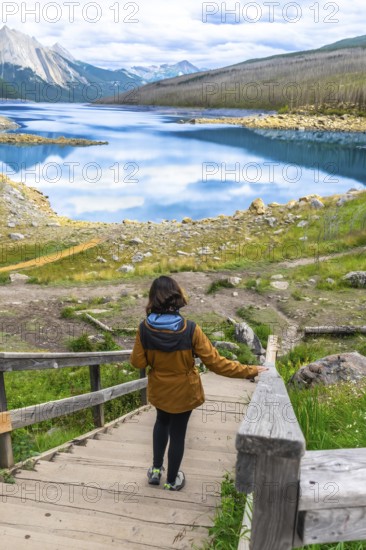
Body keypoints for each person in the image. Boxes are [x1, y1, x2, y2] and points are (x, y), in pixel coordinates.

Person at [130, 275, 267, 491]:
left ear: (153, 298)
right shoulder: (190, 329)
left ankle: (156, 470)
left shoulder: (144, 328)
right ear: (176, 297)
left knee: (161, 421)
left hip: (159, 389)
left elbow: (137, 361)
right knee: (178, 432)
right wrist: (250, 370)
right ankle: (172, 480)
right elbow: (216, 363)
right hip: (185, 391)